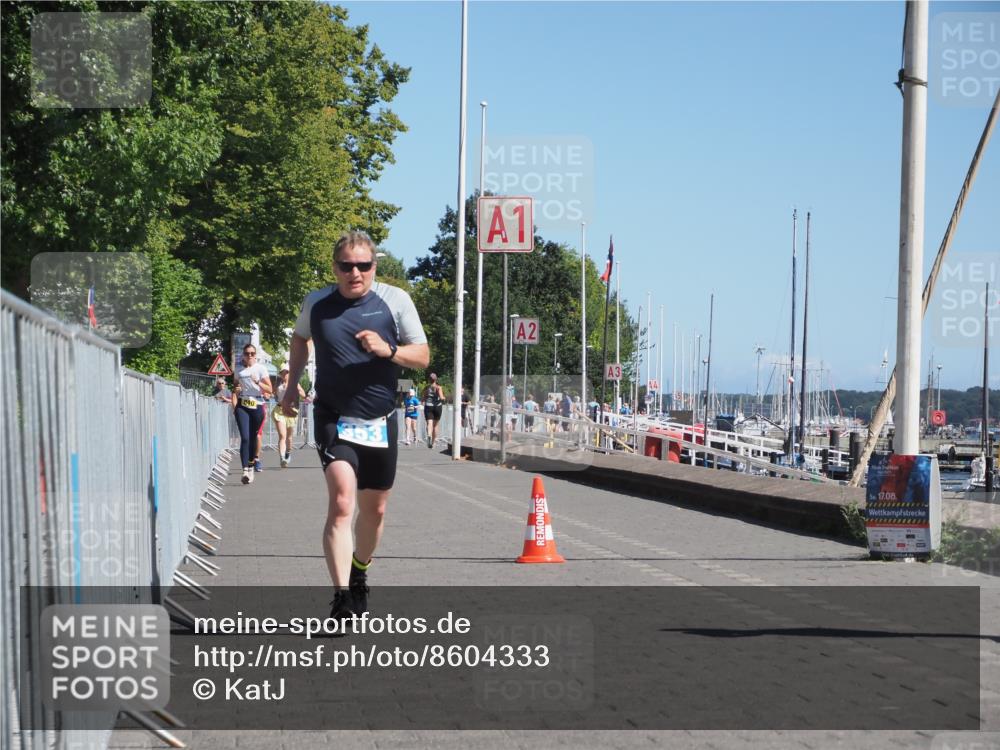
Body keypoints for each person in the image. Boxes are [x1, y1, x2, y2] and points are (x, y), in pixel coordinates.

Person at [282, 231, 429, 622]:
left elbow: (424, 356)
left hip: (381, 421)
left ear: (374, 267)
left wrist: (390, 350)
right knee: (343, 501)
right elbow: (299, 340)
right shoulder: (317, 303)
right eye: (346, 266)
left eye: (363, 265)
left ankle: (360, 570)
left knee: (375, 510)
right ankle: (342, 597)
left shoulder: (395, 301)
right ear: (335, 268)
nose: (355, 273)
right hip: (334, 417)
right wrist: (292, 385)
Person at [233, 344, 273, 484]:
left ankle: (251, 465)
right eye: (247, 353)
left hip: (257, 404)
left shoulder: (261, 368)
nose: (249, 355)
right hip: (243, 404)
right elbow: (236, 386)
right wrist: (236, 392)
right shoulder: (238, 369)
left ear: (255, 355)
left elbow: (270, 389)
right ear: (243, 355)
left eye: (252, 353)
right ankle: (245, 470)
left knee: (253, 437)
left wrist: (258, 383)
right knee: (244, 437)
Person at [273, 367, 305, 467]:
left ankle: (288, 453)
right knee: (282, 436)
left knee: (289, 437)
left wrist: (296, 389)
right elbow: (273, 393)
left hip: (291, 411)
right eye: (282, 373)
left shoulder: (295, 384)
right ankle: (282, 458)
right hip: (280, 410)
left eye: (286, 372)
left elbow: (303, 394)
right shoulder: (278, 384)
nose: (284, 374)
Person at [423, 373, 445, 448]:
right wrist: (444, 398)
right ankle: (433, 442)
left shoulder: (427, 388)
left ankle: (429, 435)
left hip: (428, 406)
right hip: (437, 407)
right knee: (435, 426)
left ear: (429, 380)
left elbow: (423, 398)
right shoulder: (439, 387)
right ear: (436, 379)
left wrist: (422, 401)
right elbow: (441, 397)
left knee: (429, 423)